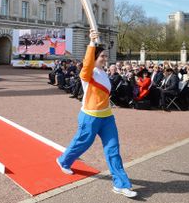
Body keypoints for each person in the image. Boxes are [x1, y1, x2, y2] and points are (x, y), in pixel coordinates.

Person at [56, 29, 137, 198]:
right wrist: (92, 43)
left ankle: (121, 184)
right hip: (90, 116)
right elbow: (86, 65)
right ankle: (64, 160)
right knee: (82, 143)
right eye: (102, 56)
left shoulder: (104, 73)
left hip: (107, 117)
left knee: (113, 149)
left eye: (106, 56)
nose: (105, 59)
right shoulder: (88, 73)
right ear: (94, 57)